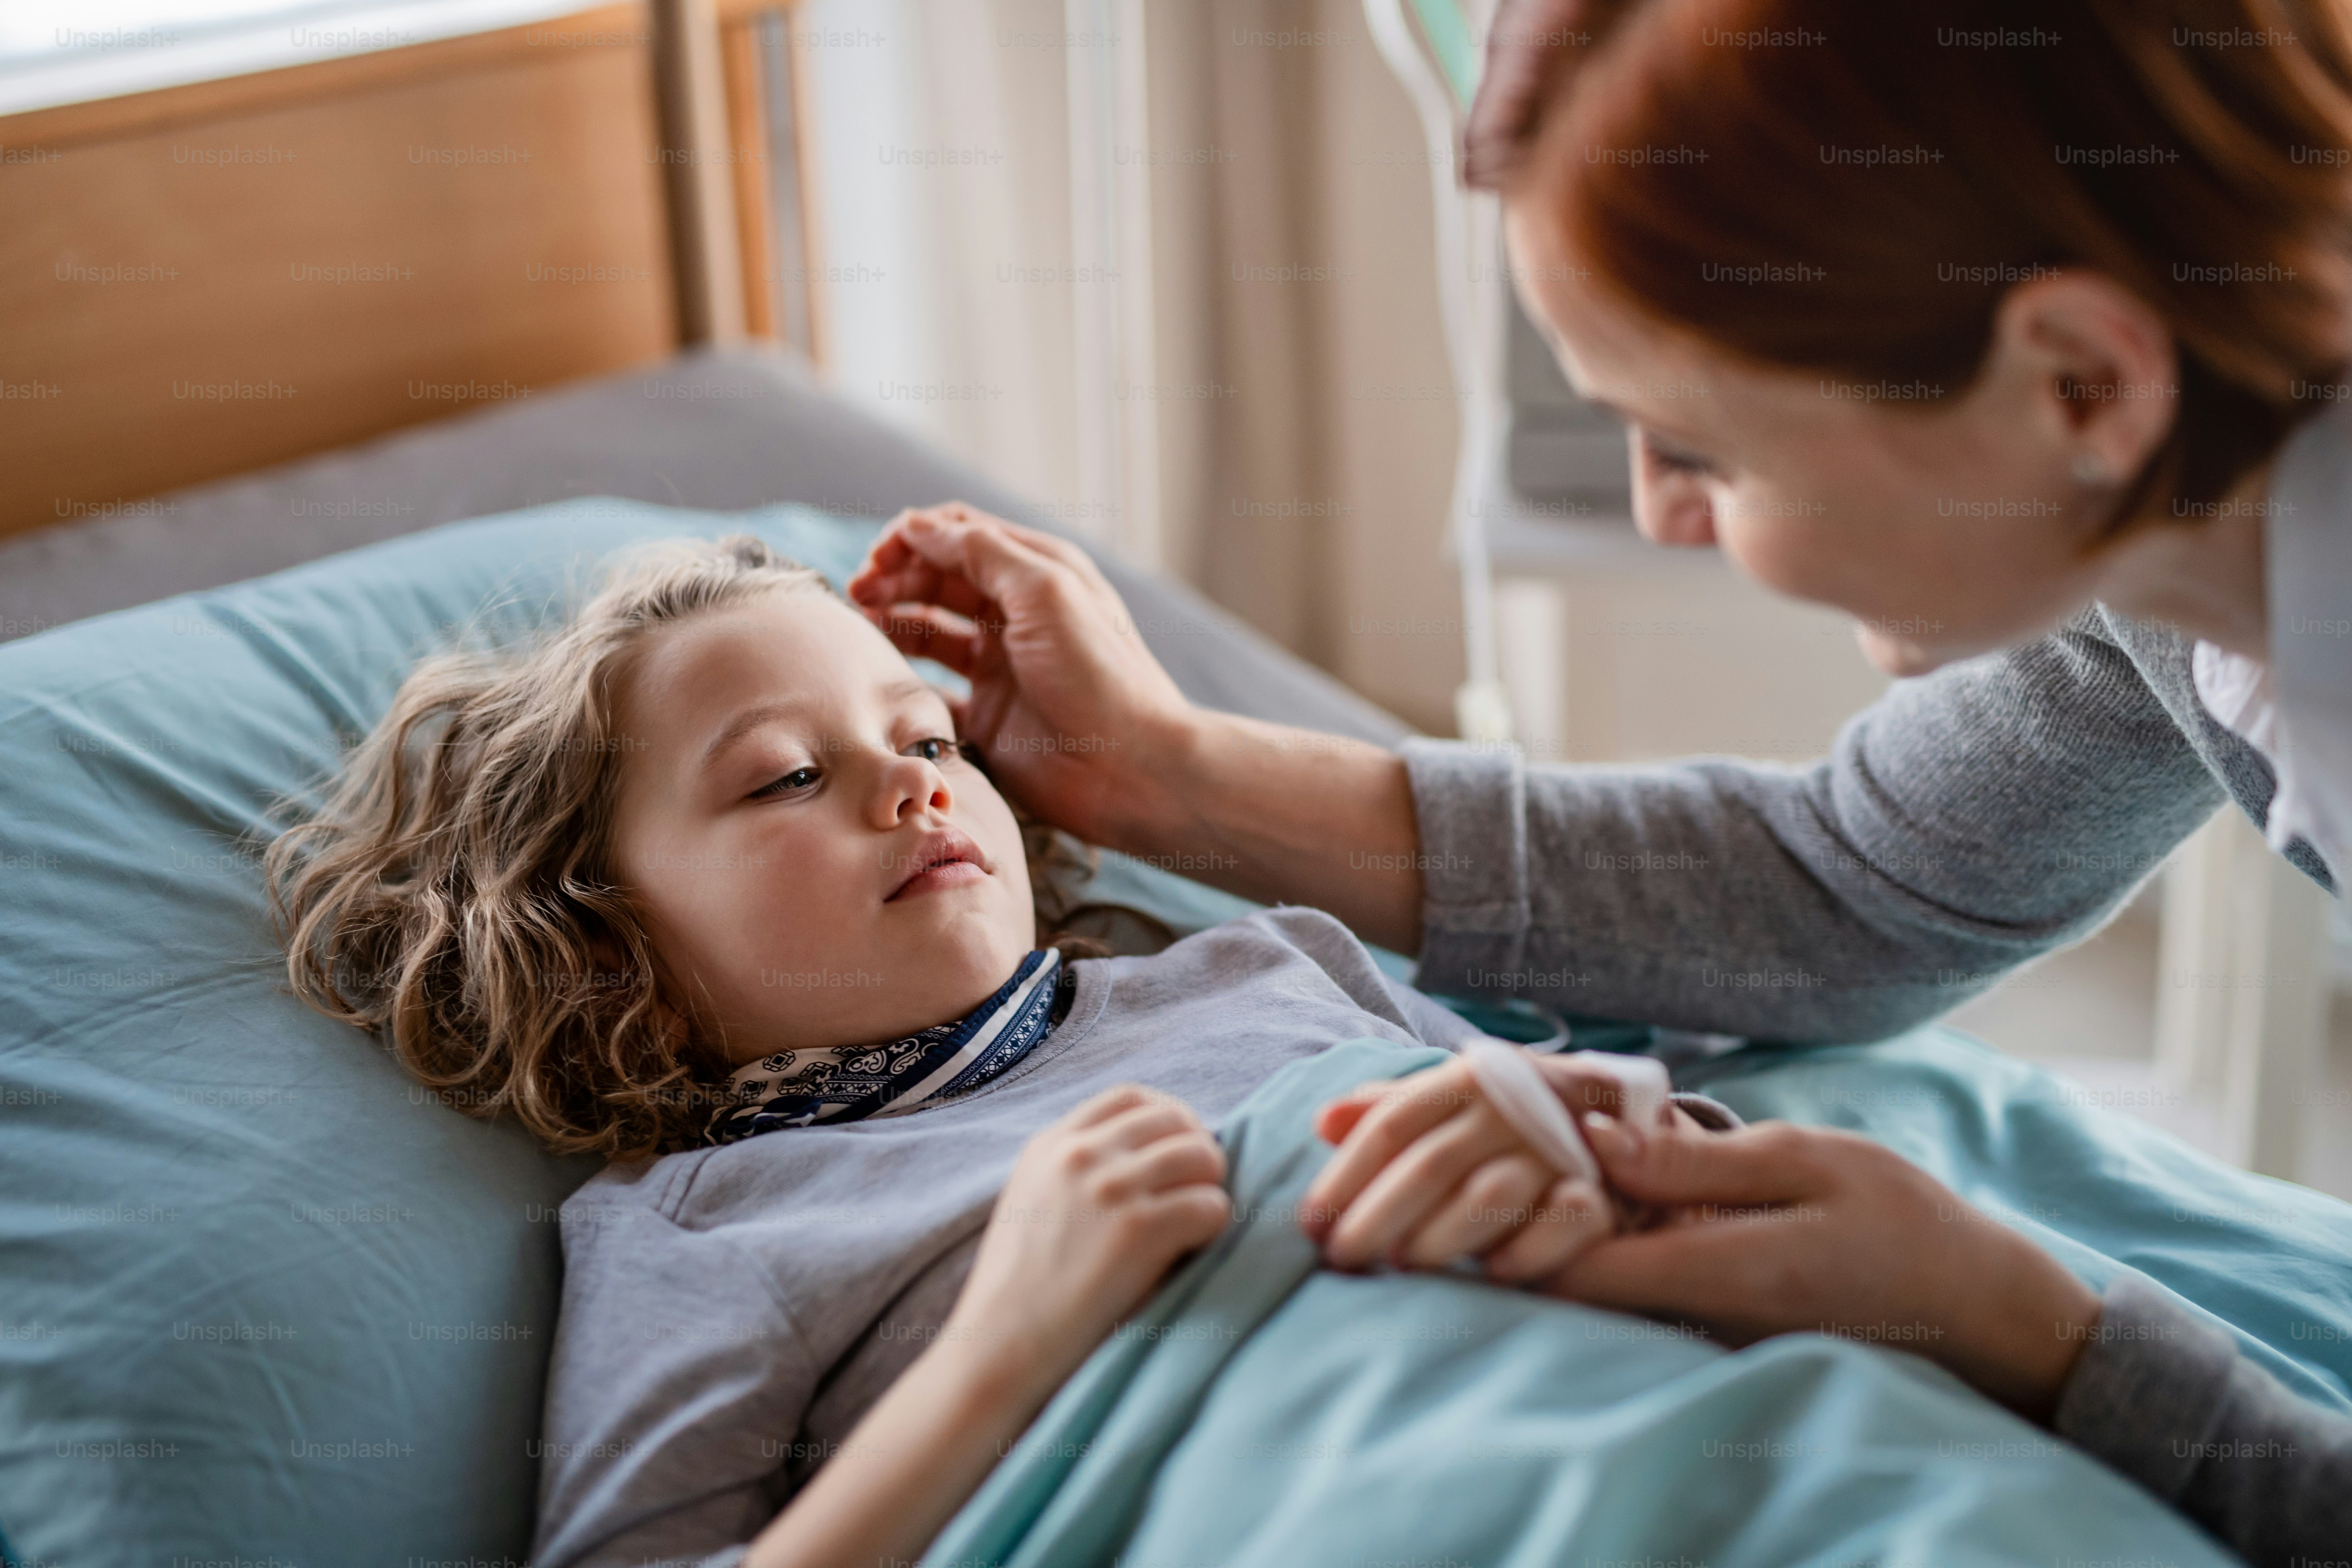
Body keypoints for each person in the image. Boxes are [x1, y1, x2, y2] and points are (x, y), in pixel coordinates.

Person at [839, 3, 2352, 1561]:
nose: (1659, 512)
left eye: (1700, 449)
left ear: (2082, 383)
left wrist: (2030, 1328)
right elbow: (1845, 886)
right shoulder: (2167, 556)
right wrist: (1171, 777)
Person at [266, 533, 1707, 1568]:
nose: (912, 784)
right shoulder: (710, 1232)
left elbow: (1692, 1166)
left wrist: (1606, 1133)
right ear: (601, 950)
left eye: (934, 739)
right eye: (788, 776)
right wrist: (1007, 1347)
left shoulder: (1270, 962)